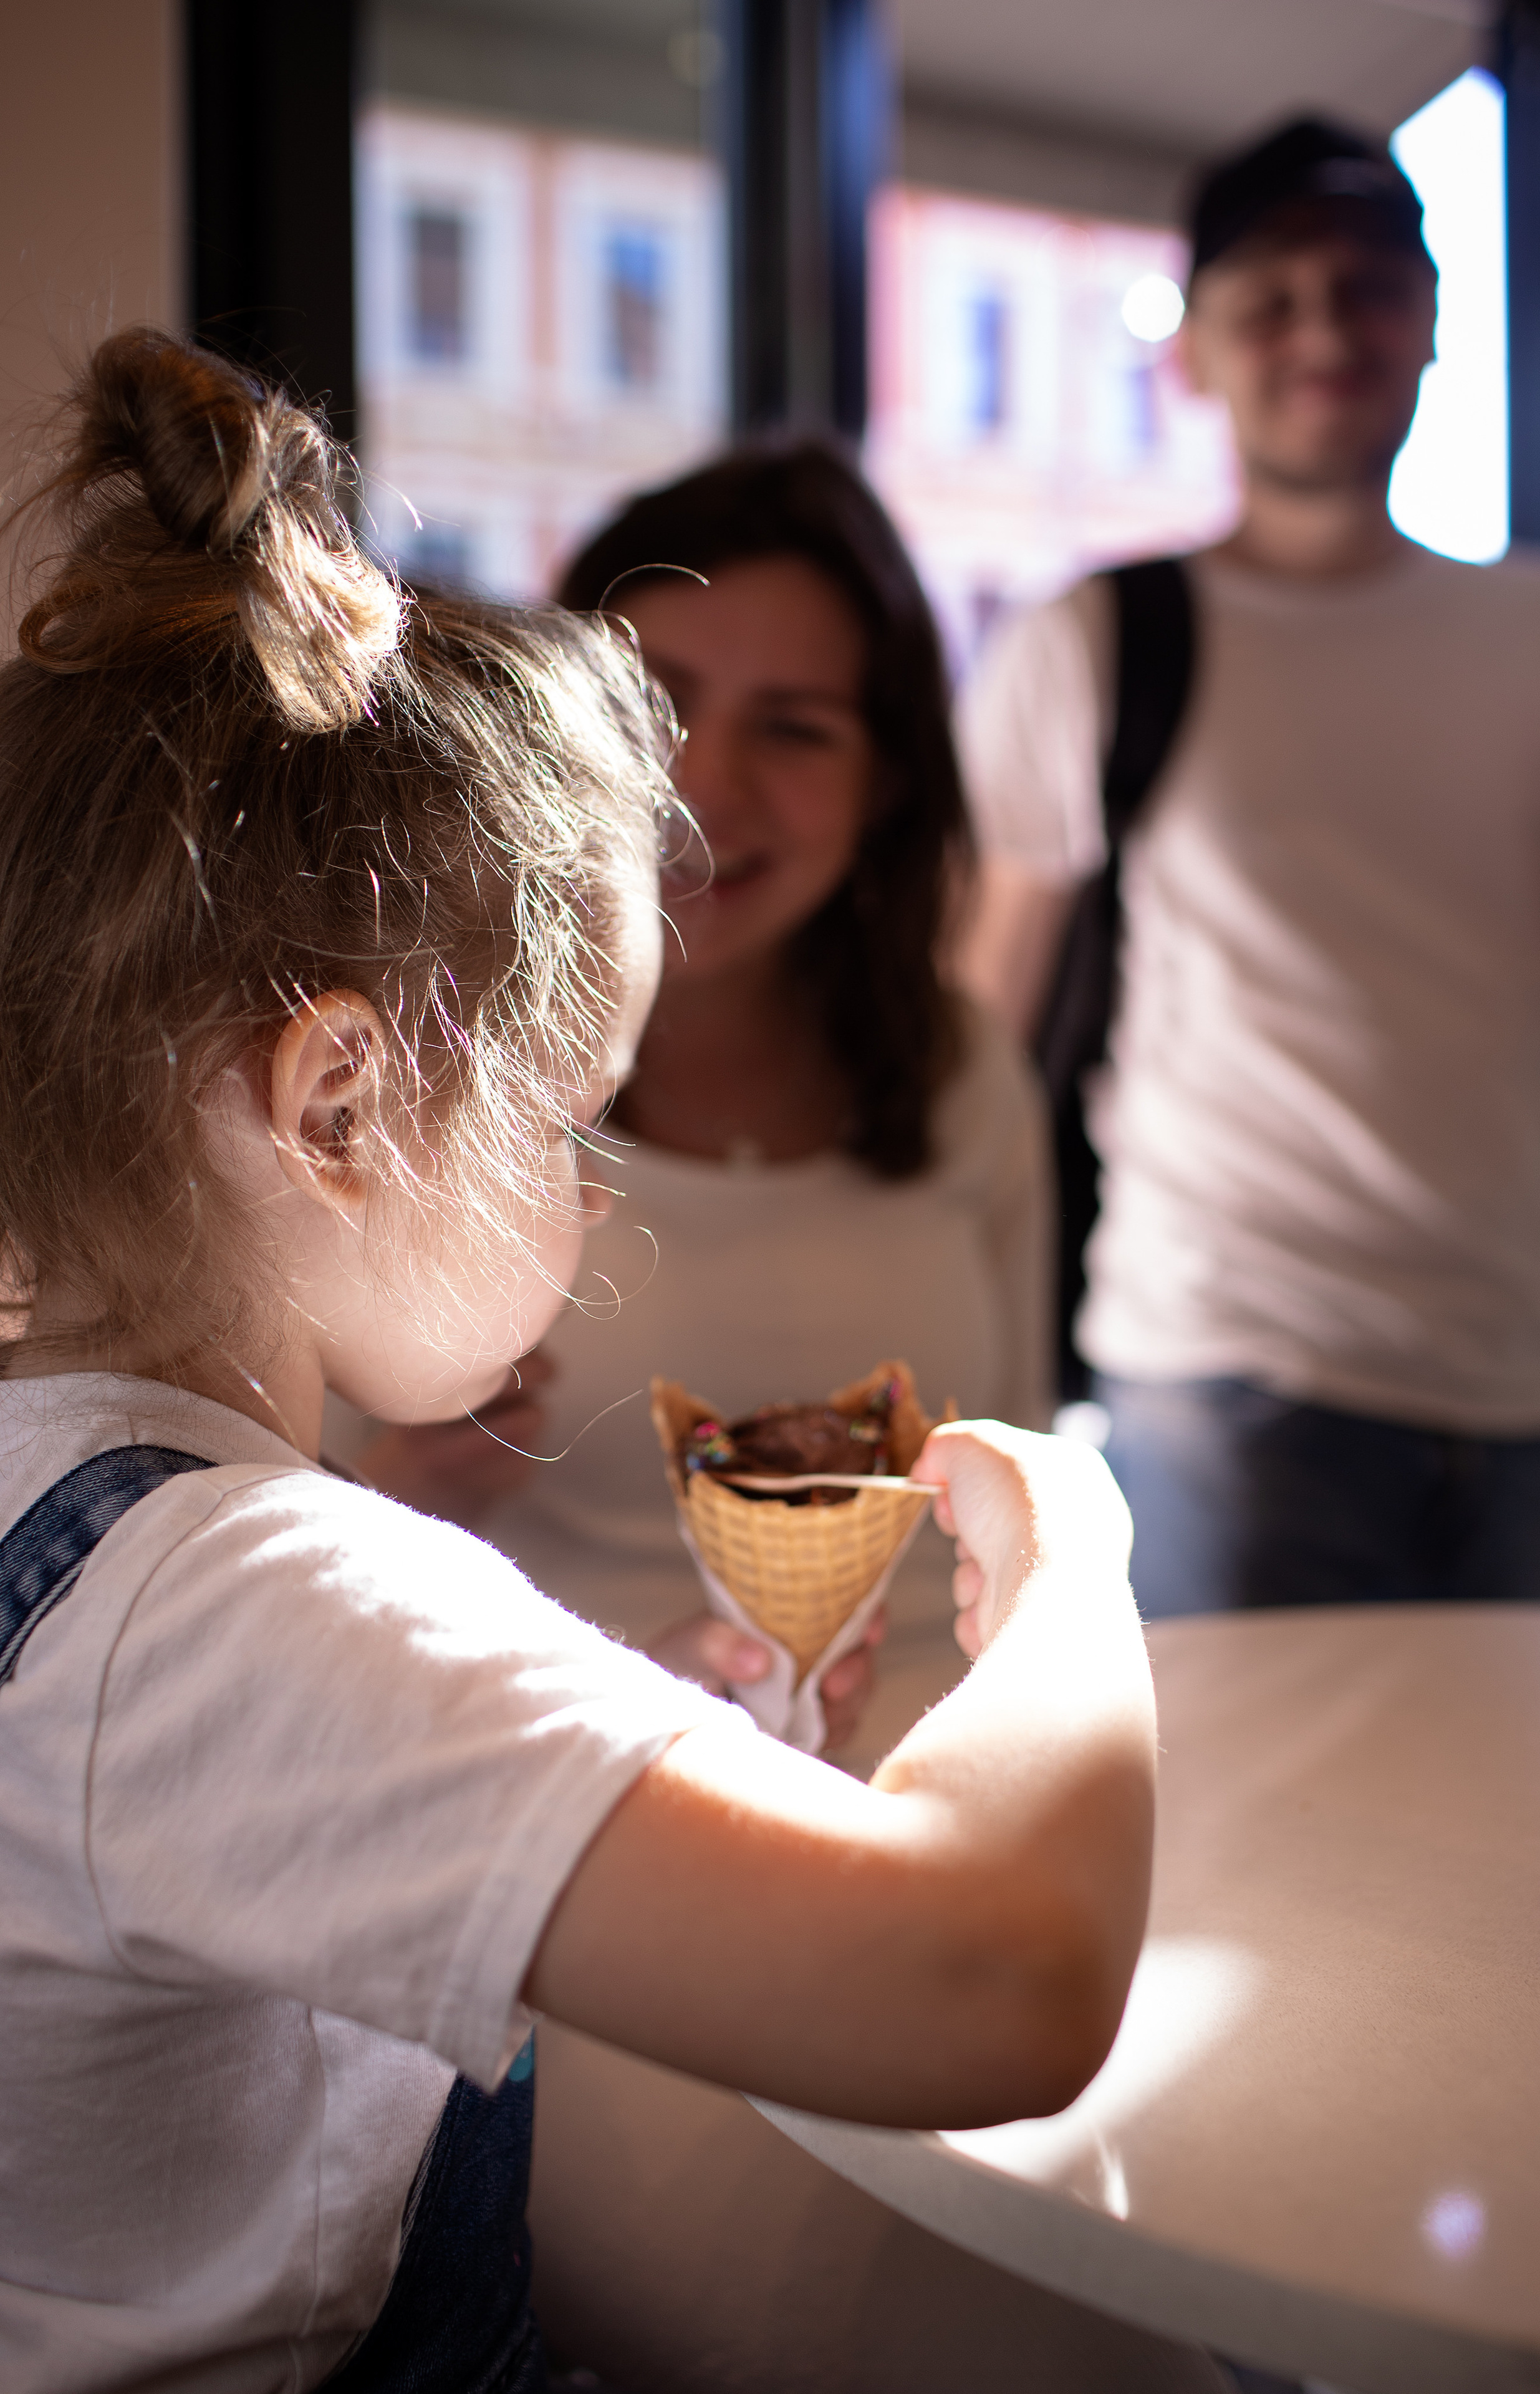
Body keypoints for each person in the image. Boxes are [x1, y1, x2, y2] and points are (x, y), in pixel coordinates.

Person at [0, 332, 1193, 2393]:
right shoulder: (252, 1605)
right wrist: (1079, 1560)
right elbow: (1002, 1977)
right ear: (345, 1106)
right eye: (565, 1119)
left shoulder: (95, 1516)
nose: (589, 1189)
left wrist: (654, 1725)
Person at [961, 115, 1540, 1614]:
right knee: (1247, 1844)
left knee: (1524, 1848)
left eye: (1370, 285)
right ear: (1192, 350)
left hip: (1526, 1380)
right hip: (1218, 1391)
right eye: (1271, 295)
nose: (1324, 327)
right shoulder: (1095, 640)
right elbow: (976, 1037)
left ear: (1432, 327)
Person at [342, 444, 1054, 1771]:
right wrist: (400, 1481)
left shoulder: (962, 1070)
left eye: (794, 727)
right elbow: (273, 1569)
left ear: (886, 781)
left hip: (954, 1812)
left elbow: (1023, 1502)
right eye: (653, 703)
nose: (701, 787)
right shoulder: (422, 1077)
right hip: (568, 1805)